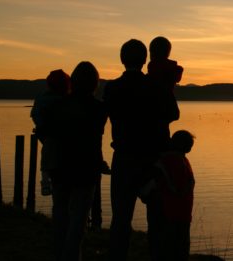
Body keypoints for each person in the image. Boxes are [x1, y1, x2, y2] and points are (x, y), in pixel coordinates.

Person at [104, 39, 171, 261]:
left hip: (123, 158)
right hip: (151, 160)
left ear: (122, 60)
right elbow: (173, 114)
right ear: (145, 60)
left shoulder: (112, 88)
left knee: (121, 219)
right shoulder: (155, 86)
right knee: (156, 219)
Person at [50, 61, 108, 261]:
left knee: (60, 214)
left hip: (60, 166)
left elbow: (52, 137)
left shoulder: (58, 106)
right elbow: (95, 140)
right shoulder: (99, 109)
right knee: (79, 219)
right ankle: (73, 256)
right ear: (94, 84)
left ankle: (59, 254)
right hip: (86, 168)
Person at [141, 130, 195, 261]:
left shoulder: (168, 161)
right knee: (177, 249)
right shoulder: (175, 162)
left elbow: (146, 190)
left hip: (174, 214)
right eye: (190, 145)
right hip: (174, 214)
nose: (191, 148)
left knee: (168, 248)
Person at [31, 69, 71, 196]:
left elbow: (35, 116)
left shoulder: (41, 98)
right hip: (66, 144)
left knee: (47, 156)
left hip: (48, 137)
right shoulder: (68, 99)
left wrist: (41, 127)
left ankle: (45, 181)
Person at [147, 36, 184, 124]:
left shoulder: (146, 79)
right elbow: (174, 114)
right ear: (168, 53)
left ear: (151, 53)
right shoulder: (171, 72)